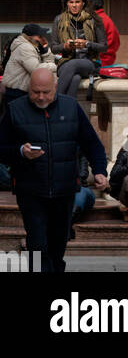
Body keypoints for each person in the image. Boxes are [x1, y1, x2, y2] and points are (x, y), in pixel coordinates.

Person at [0, 65, 107, 272]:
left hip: (64, 189)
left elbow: (92, 143)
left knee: (58, 242)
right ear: (28, 88)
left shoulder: (71, 107)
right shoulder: (15, 109)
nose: (40, 97)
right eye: (35, 92)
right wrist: (20, 151)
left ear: (56, 88)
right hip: (30, 189)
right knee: (37, 242)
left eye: (45, 92)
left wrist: (100, 170)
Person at [49, 0, 108, 99]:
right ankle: (68, 112)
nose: (74, 5)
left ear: (83, 3)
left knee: (74, 64)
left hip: (89, 62)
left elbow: (104, 47)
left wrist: (87, 44)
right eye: (71, 2)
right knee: (75, 78)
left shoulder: (94, 19)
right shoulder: (58, 20)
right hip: (65, 62)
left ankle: (53, 101)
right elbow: (53, 47)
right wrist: (65, 46)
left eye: (77, 2)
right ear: (67, 3)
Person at [1, 24, 55, 105]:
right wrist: (53, 67)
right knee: (14, 117)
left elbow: (47, 64)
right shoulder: (25, 47)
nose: (42, 38)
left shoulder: (33, 46)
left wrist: (45, 50)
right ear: (30, 37)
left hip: (21, 92)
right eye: (39, 36)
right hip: (16, 93)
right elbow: (37, 70)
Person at [87, 0, 120, 70]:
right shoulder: (107, 19)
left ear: (91, 5)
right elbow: (117, 43)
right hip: (108, 60)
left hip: (99, 61)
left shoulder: (96, 20)